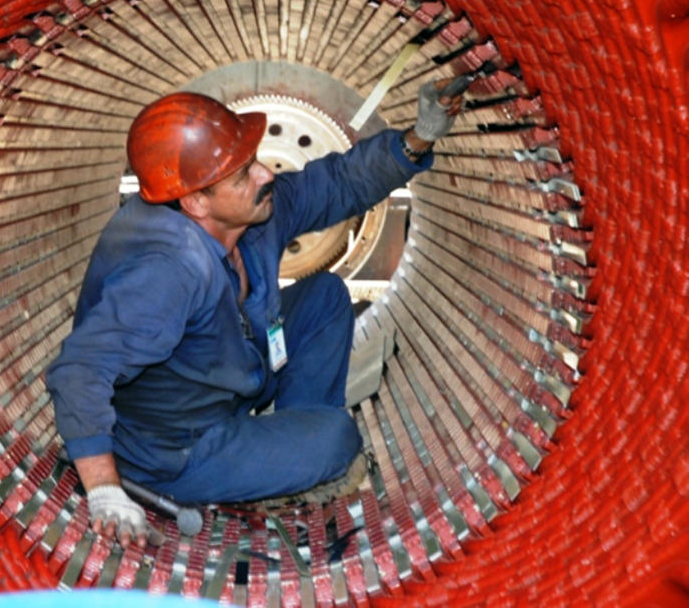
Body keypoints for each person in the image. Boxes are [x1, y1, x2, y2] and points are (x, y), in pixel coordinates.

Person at [46, 82, 462, 547]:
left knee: (324, 295)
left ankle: (288, 456)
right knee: (336, 439)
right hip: (180, 446)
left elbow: (336, 184)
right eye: (243, 174)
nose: (265, 174)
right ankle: (293, 456)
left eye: (254, 161)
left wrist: (418, 139)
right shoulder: (167, 272)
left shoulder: (247, 212)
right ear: (196, 201)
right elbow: (80, 371)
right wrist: (104, 488)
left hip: (228, 373)